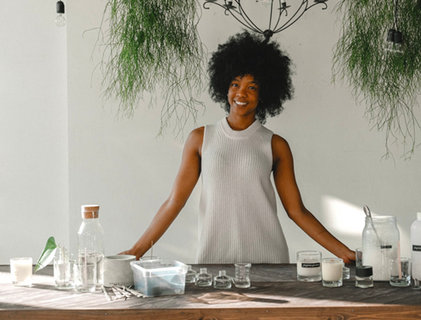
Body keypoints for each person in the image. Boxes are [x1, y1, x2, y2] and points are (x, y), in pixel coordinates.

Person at [121, 31, 355, 264]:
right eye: (235, 84)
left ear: (264, 94)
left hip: (269, 262)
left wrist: (344, 253)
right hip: (214, 262)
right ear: (225, 86)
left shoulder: (275, 145)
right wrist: (136, 251)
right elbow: (174, 202)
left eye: (252, 87)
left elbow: (297, 211)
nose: (241, 93)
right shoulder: (200, 138)